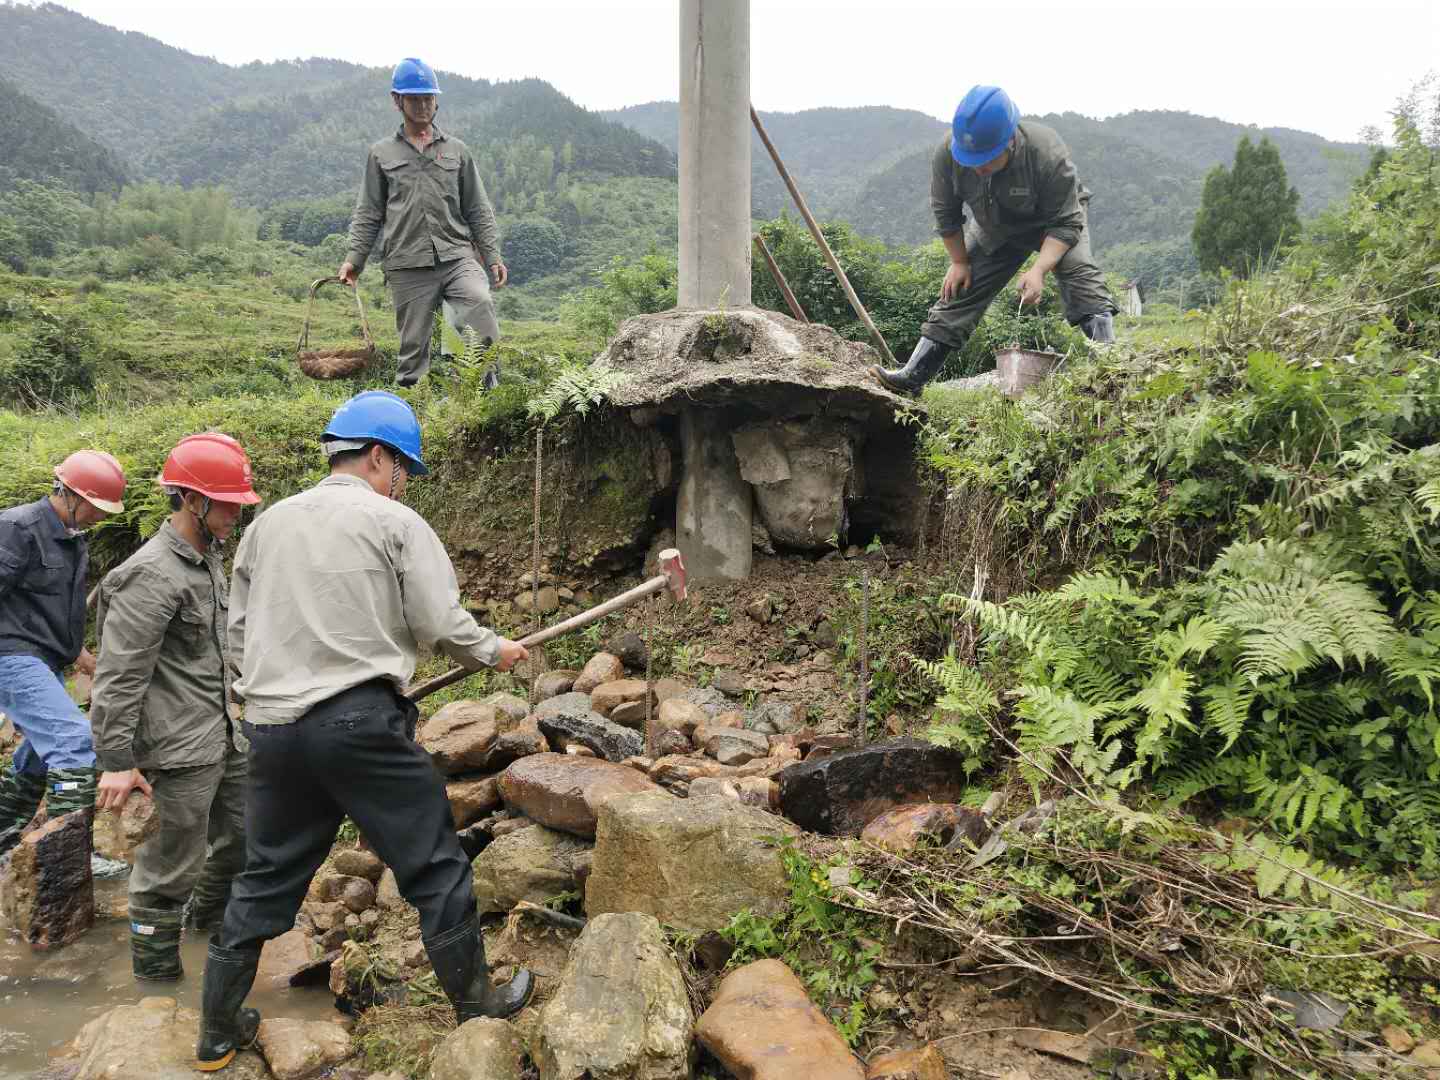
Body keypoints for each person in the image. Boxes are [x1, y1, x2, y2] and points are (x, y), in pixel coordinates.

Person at [195, 391, 532, 1071]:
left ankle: (217, 1031)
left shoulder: (267, 525)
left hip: (273, 731)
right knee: (432, 859)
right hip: (357, 724)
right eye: (404, 467)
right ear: (378, 456)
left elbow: (238, 632)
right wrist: (493, 649)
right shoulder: (394, 521)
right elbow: (438, 622)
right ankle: (477, 1007)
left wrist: (259, 698)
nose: (404, 482)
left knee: (266, 873)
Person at [90, 433, 261, 981]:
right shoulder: (151, 574)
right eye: (227, 503)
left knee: (242, 840)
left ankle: (208, 938)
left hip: (224, 735)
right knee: (166, 872)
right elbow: (119, 676)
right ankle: (156, 985)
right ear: (191, 500)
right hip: (176, 750)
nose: (236, 513)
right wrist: (116, 761)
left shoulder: (207, 560)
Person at [870, 85, 1118, 395]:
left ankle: (1111, 374)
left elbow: (1066, 223)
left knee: (1080, 276)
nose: (977, 167)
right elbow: (946, 213)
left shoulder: (1047, 153)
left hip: (1054, 223)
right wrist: (959, 261)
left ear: (1010, 140)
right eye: (970, 159)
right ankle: (912, 378)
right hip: (996, 225)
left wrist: (1039, 269)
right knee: (961, 287)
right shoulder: (948, 154)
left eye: (986, 160)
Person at [340, 58, 507, 389]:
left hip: (457, 256)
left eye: (428, 98)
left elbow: (477, 207)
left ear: (436, 100)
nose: (422, 106)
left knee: (480, 305)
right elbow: (369, 211)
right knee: (413, 350)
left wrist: (492, 255)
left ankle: (485, 396)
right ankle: (413, 409)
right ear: (397, 101)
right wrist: (354, 260)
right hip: (407, 263)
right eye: (414, 99)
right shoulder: (381, 153)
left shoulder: (457, 151)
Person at [0, 450, 126, 871]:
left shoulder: (73, 539)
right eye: (96, 506)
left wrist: (81, 655)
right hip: (11, 656)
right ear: (70, 494)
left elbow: (58, 611)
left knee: (40, 751)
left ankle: (5, 839)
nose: (99, 516)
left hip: (45, 658)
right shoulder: (16, 528)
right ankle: (68, 860)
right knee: (73, 743)